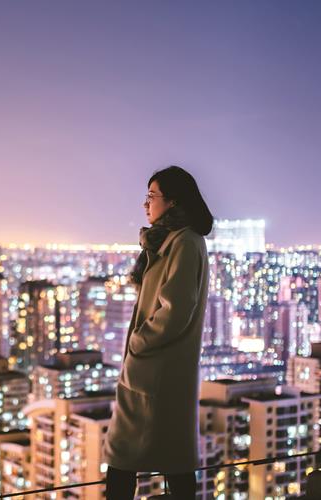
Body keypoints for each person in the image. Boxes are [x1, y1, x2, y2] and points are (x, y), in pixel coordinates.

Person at [102, 165, 213, 500]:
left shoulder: (185, 243)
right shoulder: (172, 241)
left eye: (152, 196)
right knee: (173, 461)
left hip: (157, 370)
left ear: (173, 202)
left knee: (123, 460)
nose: (145, 204)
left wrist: (139, 342)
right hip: (158, 371)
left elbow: (176, 310)